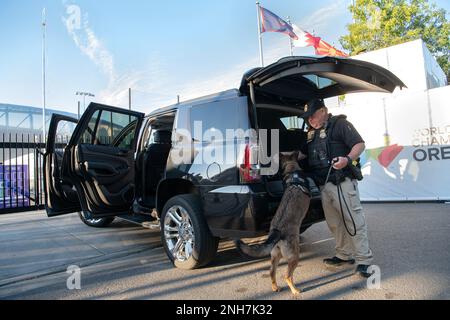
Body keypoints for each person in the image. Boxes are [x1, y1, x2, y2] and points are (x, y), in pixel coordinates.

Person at [301, 98, 373, 278]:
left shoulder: (340, 124)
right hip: (324, 185)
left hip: (342, 182)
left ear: (323, 110)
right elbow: (302, 154)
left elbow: (359, 144)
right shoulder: (311, 133)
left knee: (353, 221)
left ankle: (363, 260)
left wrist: (347, 159)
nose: (310, 120)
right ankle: (343, 254)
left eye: (312, 115)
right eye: (307, 117)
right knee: (334, 223)